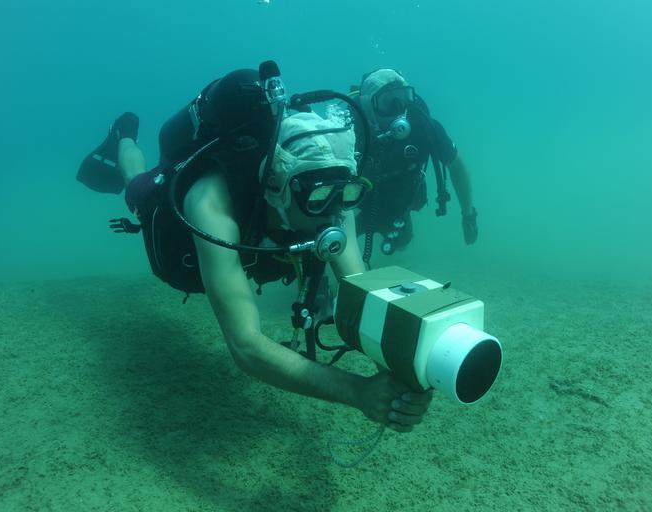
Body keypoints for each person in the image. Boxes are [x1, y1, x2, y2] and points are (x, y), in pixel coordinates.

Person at [76, 67, 432, 432]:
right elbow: (245, 345)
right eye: (317, 197)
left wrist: (397, 373)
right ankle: (124, 135)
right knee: (136, 189)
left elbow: (363, 295)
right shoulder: (210, 203)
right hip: (177, 241)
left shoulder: (334, 199)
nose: (332, 213)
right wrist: (359, 392)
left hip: (263, 233)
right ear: (277, 185)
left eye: (347, 193)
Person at [351, 69, 479, 260]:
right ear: (369, 105)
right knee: (335, 242)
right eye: (387, 101)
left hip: (397, 204)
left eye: (402, 97)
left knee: (402, 241)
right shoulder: (350, 132)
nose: (397, 107)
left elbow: (456, 164)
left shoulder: (423, 127)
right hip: (358, 203)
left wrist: (468, 214)